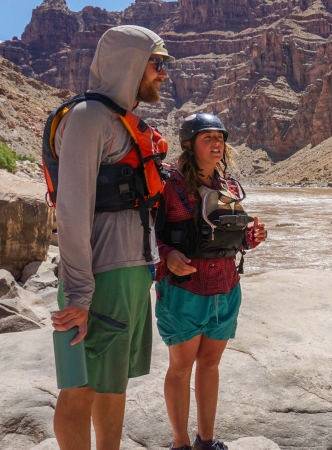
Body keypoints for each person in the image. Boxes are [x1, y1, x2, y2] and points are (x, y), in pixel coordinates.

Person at [49, 25, 174, 450]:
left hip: (133, 273)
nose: (162, 74)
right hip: (100, 277)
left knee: (113, 382)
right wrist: (80, 295)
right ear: (131, 63)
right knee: (81, 387)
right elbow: (71, 211)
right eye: (157, 64)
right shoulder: (87, 119)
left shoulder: (122, 122)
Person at [154, 113, 267, 450]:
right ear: (190, 145)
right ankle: (180, 443)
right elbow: (146, 234)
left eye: (220, 137)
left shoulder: (228, 184)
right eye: (208, 138)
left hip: (226, 287)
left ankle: (206, 440)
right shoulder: (169, 185)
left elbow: (227, 235)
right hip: (184, 290)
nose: (217, 143)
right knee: (181, 366)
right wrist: (167, 255)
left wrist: (251, 237)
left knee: (210, 364)